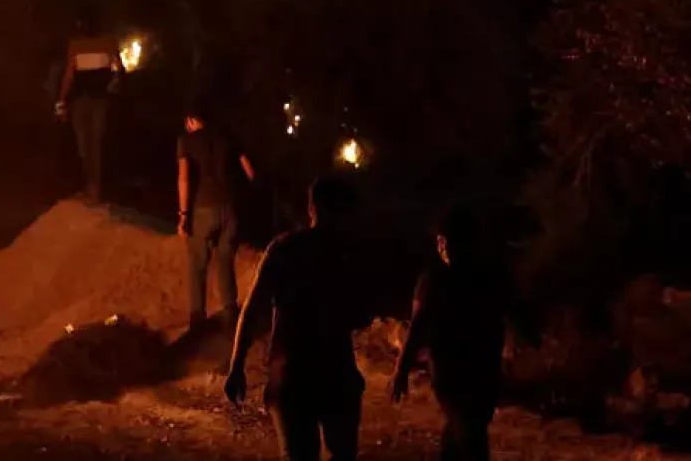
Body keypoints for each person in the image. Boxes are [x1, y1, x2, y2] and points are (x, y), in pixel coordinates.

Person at [225, 177, 367, 461]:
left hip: (290, 374)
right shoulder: (348, 254)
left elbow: (253, 309)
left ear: (312, 209)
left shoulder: (284, 250)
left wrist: (237, 365)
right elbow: (360, 313)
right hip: (335, 373)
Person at [391, 207, 511, 461]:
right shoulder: (437, 279)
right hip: (454, 368)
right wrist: (401, 369)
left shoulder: (482, 276)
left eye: (452, 240)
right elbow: (418, 325)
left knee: (465, 426)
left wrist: (402, 369)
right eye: (443, 241)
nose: (445, 247)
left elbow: (417, 325)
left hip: (477, 365)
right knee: (470, 429)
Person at [178, 106, 255, 331]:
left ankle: (198, 319)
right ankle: (231, 316)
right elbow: (250, 172)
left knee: (198, 264)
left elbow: (184, 178)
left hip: (203, 208)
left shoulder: (186, 141)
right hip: (230, 208)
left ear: (191, 120)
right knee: (225, 261)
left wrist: (183, 215)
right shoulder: (227, 136)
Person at [55, 13, 122, 202]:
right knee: (89, 144)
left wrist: (61, 102)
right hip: (84, 101)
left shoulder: (105, 42)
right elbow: (69, 76)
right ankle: (92, 185)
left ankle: (94, 187)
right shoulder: (78, 45)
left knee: (91, 144)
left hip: (94, 101)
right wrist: (61, 101)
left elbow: (117, 69)